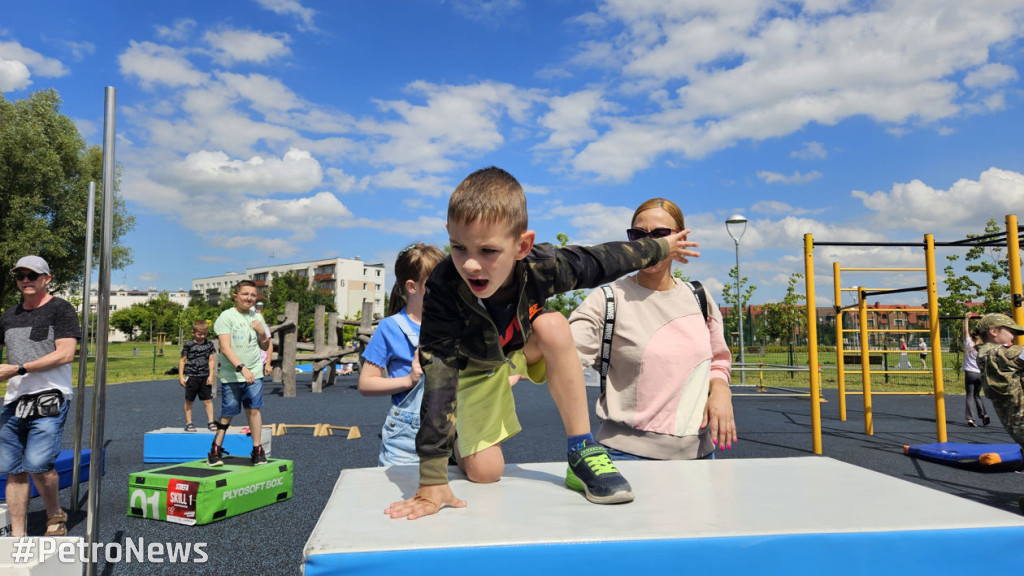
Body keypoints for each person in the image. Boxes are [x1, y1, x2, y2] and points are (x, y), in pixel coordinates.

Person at [385, 167, 698, 520]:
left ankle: (581, 449)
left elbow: (605, 259)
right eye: (459, 247)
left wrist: (660, 247)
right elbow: (440, 375)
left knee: (552, 323)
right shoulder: (443, 287)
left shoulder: (543, 267)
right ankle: (462, 443)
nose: (471, 264)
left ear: (522, 246)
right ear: (449, 236)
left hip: (518, 350)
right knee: (486, 474)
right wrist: (432, 475)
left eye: (488, 250)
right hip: (471, 369)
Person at [569, 198, 736, 460]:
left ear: (680, 238)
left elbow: (718, 360)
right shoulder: (608, 299)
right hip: (625, 455)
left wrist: (721, 391)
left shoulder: (699, 297)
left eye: (660, 234)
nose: (649, 244)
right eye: (638, 235)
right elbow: (565, 356)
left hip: (700, 457)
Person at [0, 256, 80, 537]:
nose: (25, 280)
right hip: (14, 400)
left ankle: (54, 514)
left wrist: (19, 368)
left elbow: (66, 353)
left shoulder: (61, 309)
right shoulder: (9, 316)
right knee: (11, 469)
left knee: (38, 463)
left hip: (50, 397)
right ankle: (17, 536)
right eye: (20, 275)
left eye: (32, 275)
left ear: (46, 279)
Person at [358, 243, 445, 465]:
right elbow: (366, 384)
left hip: (452, 431)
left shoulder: (454, 325)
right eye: (437, 282)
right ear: (412, 287)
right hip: (407, 440)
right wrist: (408, 380)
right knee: (398, 497)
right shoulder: (391, 327)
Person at [208, 280, 271, 466]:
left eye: (253, 295)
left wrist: (262, 333)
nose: (249, 298)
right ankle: (215, 449)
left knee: (254, 409)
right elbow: (225, 349)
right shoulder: (226, 317)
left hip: (255, 373)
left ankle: (257, 450)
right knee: (228, 411)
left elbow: (265, 346)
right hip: (233, 373)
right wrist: (242, 368)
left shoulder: (258, 318)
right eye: (245, 294)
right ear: (236, 296)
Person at [976, 313, 1024, 453]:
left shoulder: (984, 353)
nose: (1014, 337)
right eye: (1011, 332)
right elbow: (1015, 354)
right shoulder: (996, 353)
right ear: (993, 331)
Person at [178, 319, 217, 431]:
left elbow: (211, 360)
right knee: (189, 400)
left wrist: (211, 376)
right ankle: (189, 423)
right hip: (192, 376)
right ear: (193, 332)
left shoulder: (209, 344)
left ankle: (211, 421)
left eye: (204, 334)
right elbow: (182, 360)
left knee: (208, 400)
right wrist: (181, 376)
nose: (202, 336)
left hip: (205, 376)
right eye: (199, 334)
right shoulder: (188, 344)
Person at [962, 314, 990, 427]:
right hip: (980, 374)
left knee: (969, 395)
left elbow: (965, 332)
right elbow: (987, 331)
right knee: (977, 395)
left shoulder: (969, 344)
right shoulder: (984, 346)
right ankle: (984, 414)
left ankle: (970, 418)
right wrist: (984, 319)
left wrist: (966, 319)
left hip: (970, 373)